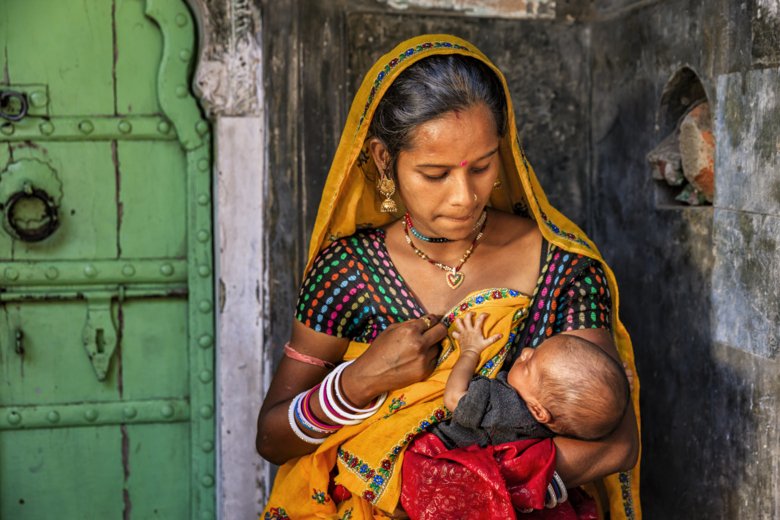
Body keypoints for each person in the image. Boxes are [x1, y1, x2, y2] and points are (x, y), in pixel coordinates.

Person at [257, 34, 641, 520]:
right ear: (383, 159)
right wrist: (359, 381)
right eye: (435, 174)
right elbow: (272, 439)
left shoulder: (562, 269)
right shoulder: (347, 273)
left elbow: (616, 444)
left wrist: (464, 491)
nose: (464, 196)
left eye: (481, 167)